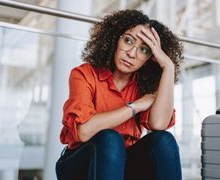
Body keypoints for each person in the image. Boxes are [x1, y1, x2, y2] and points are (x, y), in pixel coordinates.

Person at [55, 9, 183, 180]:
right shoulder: (84, 74)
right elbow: (84, 131)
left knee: (164, 140)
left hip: (122, 165)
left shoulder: (144, 86)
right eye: (128, 41)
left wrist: (168, 66)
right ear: (116, 39)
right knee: (110, 138)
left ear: (150, 58)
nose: (131, 53)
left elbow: (159, 124)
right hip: (79, 163)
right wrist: (135, 106)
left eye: (144, 50)